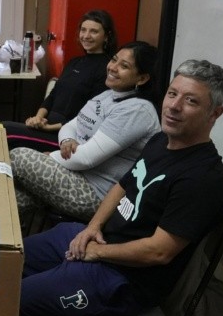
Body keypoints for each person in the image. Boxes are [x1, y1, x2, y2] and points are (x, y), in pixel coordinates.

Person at [18, 59, 223, 316]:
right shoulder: (161, 142)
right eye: (172, 94)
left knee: (15, 296)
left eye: (191, 101)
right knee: (8, 261)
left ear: (215, 113)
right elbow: (122, 186)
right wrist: (92, 228)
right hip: (99, 243)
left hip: (125, 278)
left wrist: (98, 253)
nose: (174, 106)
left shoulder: (203, 179)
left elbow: (159, 251)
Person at [10, 41, 161, 234]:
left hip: (97, 193)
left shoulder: (137, 110)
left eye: (124, 66)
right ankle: (1, 244)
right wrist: (66, 141)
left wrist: (51, 156)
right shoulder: (108, 95)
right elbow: (70, 126)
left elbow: (86, 158)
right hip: (75, 174)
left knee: (19, 156)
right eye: (114, 60)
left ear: (142, 78)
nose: (113, 68)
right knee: (11, 198)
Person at [3, 9, 118, 151]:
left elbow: (91, 116)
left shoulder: (106, 69)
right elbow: (53, 95)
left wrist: (50, 127)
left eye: (94, 31)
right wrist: (38, 118)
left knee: (4, 132)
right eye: (83, 30)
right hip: (47, 126)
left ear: (107, 36)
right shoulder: (74, 62)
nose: (86, 36)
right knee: (1, 130)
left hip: (66, 137)